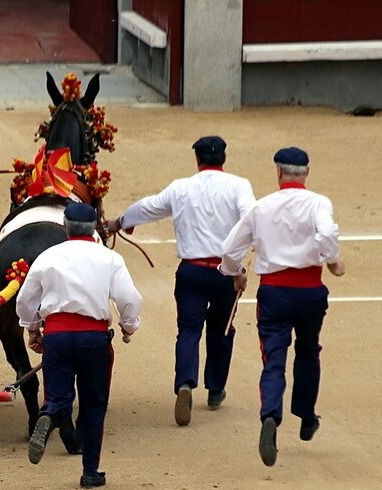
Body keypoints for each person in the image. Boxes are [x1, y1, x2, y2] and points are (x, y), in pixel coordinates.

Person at [111, 135, 255, 426]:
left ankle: (185, 383)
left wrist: (121, 221)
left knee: (189, 330)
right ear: (223, 159)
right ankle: (215, 389)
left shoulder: (181, 188)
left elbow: (148, 207)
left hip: (190, 272)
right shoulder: (239, 186)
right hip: (224, 272)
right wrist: (240, 265)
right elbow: (251, 218)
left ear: (197, 160)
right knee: (221, 330)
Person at [219, 147, 345, 466]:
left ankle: (270, 416)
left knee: (273, 358)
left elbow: (230, 249)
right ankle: (305, 416)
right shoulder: (318, 202)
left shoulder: (261, 207)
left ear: (278, 173)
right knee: (308, 349)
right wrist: (331, 259)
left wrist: (234, 274)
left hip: (274, 292)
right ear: (306, 173)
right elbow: (327, 232)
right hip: (310, 289)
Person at [15, 202, 143, 488]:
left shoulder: (48, 256)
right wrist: (129, 325)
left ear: (65, 226)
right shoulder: (109, 258)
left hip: (58, 337)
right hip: (94, 338)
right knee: (94, 404)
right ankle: (90, 472)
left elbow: (25, 300)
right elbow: (129, 299)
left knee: (58, 397)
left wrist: (33, 329)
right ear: (95, 225)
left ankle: (48, 414)